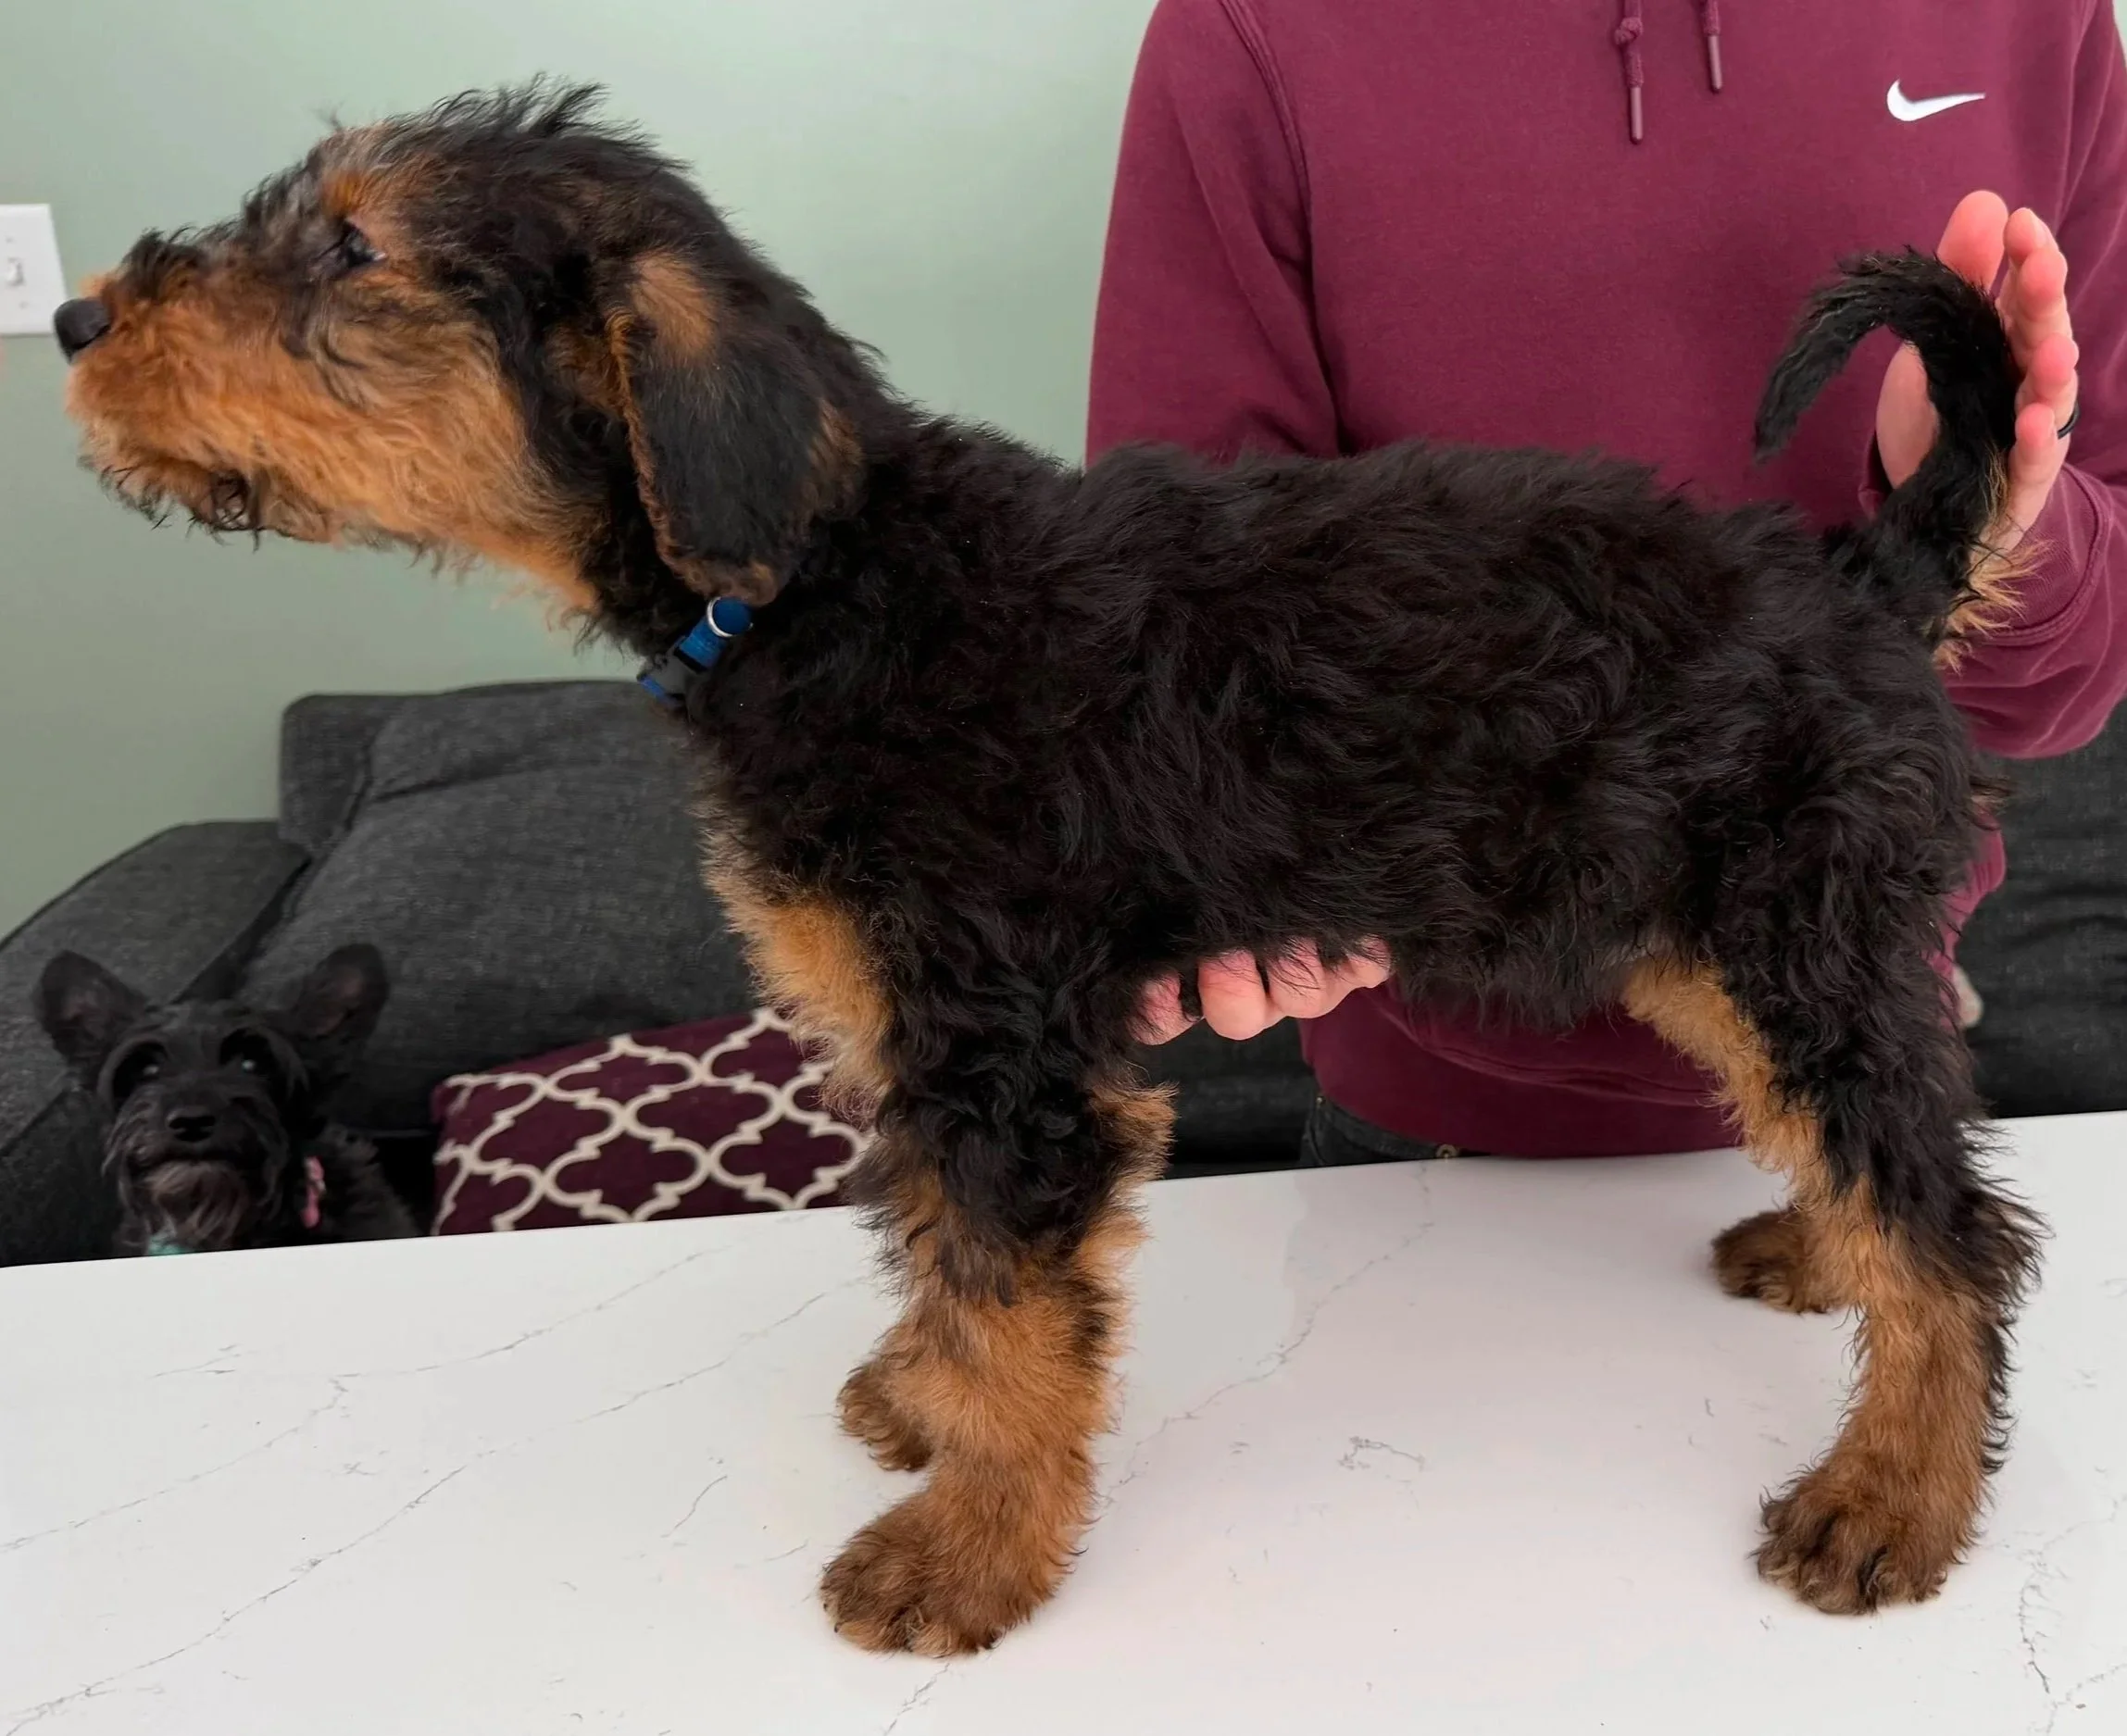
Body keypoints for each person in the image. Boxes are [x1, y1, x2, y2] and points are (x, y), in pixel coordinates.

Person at [1091, 0, 2126, 1166]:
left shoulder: (2036, 18)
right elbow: (1182, 620)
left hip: (1863, 1057)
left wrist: (1984, 514)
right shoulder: (1245, 31)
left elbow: (2075, 671)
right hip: (1430, 1128)